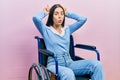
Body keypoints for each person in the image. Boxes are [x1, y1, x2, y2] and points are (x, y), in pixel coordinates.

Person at [33, 4, 104, 80]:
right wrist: (45, 12)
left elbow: (83, 19)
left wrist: (68, 13)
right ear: (51, 16)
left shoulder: (67, 29)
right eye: (56, 14)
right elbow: (36, 18)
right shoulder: (46, 30)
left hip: (69, 62)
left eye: (62, 13)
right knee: (68, 73)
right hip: (55, 64)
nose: (60, 16)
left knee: (97, 65)